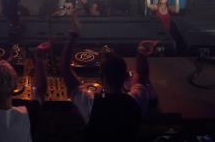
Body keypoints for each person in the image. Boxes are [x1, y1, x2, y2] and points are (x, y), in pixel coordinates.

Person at [60, 13, 157, 141]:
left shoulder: (91, 104)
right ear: (125, 76)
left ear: (102, 78)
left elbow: (65, 70)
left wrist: (73, 36)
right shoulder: (136, 100)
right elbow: (141, 74)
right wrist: (142, 52)